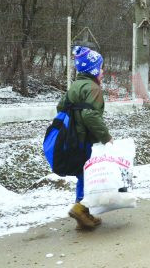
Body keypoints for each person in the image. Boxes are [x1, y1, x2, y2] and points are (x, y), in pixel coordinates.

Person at [57, 45, 113, 230]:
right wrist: (106, 137)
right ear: (94, 70)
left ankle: (84, 214)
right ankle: (81, 207)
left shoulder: (75, 85)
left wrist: (74, 123)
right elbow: (91, 116)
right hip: (87, 141)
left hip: (73, 139)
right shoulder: (93, 88)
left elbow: (60, 107)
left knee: (83, 173)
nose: (103, 71)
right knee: (88, 174)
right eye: (101, 67)